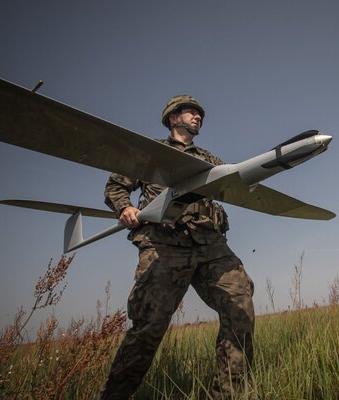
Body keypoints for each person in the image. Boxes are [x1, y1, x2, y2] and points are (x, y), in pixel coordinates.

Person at [99, 95, 255, 399]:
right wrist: (124, 208)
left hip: (210, 245)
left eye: (199, 113)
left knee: (241, 306)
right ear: (173, 119)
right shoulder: (151, 153)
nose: (198, 116)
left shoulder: (208, 158)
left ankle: (228, 394)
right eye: (190, 112)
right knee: (148, 328)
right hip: (165, 245)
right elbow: (116, 185)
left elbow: (234, 182)